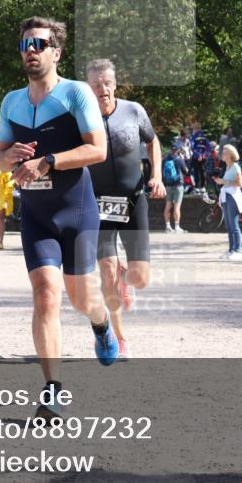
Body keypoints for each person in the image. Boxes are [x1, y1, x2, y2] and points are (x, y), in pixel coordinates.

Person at [0, 16, 116, 419]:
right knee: (46, 293)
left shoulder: (76, 94)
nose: (30, 50)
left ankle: (100, 324)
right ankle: (52, 391)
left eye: (39, 44)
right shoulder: (11, 100)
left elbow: (97, 150)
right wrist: (4, 157)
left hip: (76, 211)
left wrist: (49, 161)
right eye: (24, 44)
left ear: (56, 52)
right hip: (35, 214)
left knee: (83, 298)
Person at [85, 59, 165, 360]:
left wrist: (156, 176)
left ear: (115, 84)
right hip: (97, 205)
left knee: (140, 278)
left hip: (133, 201)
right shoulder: (83, 117)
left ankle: (125, 277)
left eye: (106, 83)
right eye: (96, 84)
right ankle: (119, 339)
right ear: (88, 89)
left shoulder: (134, 111)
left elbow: (153, 142)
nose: (102, 89)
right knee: (106, 272)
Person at [212, 144, 242, 260]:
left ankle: (238, 250)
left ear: (230, 155)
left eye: (225, 153)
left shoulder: (236, 167)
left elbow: (240, 183)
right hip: (226, 196)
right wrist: (222, 182)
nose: (222, 154)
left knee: (234, 225)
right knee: (229, 225)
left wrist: (223, 181)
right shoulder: (228, 167)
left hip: (232, 197)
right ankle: (232, 249)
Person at [162, 144, 189, 233]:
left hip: (168, 185)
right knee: (177, 207)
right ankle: (177, 227)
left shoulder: (165, 159)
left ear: (170, 149)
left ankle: (167, 226)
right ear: (178, 150)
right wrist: (183, 160)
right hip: (178, 185)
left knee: (168, 205)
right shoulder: (179, 159)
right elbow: (185, 171)